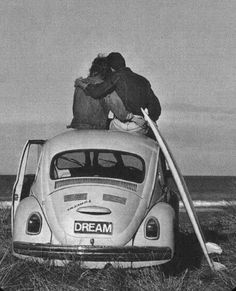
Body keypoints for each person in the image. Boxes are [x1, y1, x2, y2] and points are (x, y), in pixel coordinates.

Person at [75, 52, 161, 134]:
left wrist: (81, 84)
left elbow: (96, 92)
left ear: (111, 69)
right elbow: (156, 108)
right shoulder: (143, 81)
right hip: (138, 126)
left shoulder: (114, 77)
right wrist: (149, 120)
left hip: (119, 125)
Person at [68, 55, 130, 130]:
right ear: (108, 71)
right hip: (96, 129)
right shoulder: (104, 87)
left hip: (77, 127)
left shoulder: (80, 84)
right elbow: (121, 113)